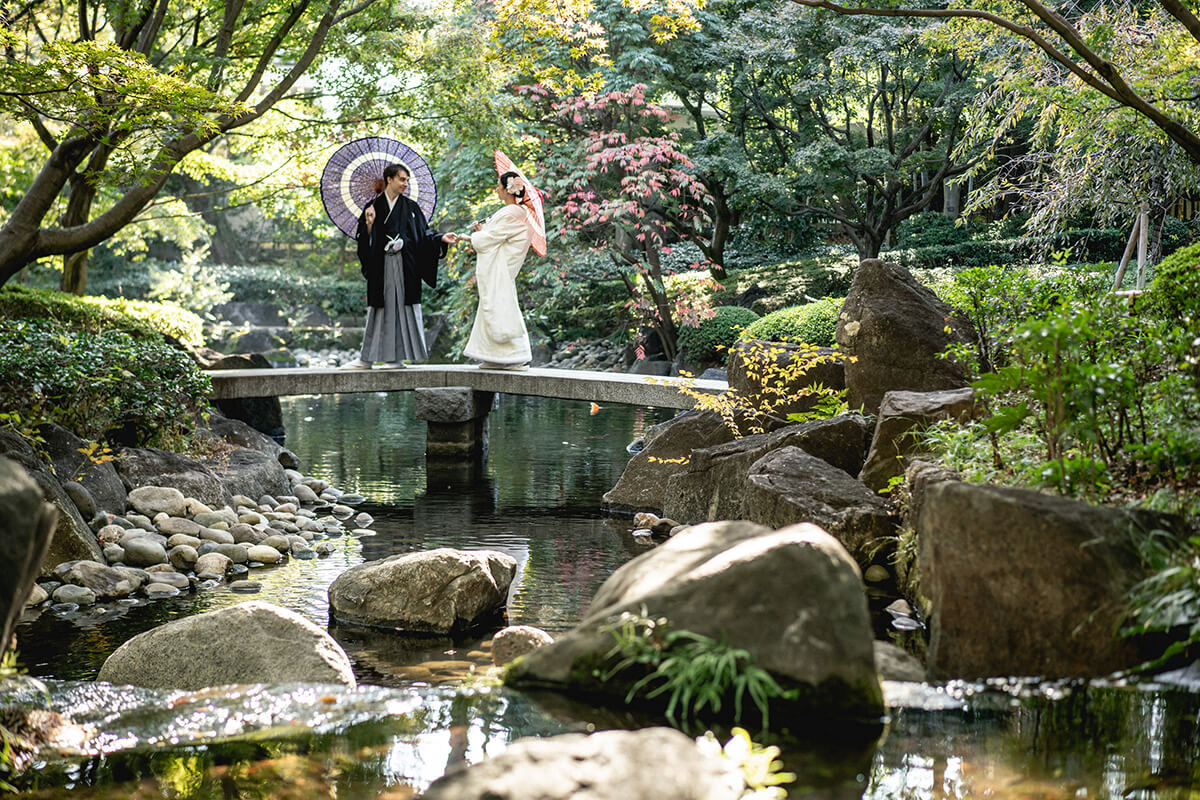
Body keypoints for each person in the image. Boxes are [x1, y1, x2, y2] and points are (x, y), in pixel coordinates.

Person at [342, 163, 459, 369]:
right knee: (380, 309)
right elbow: (363, 240)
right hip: (381, 266)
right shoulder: (373, 206)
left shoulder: (411, 208)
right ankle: (366, 359)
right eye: (402, 179)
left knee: (401, 308)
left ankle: (395, 358)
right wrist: (369, 224)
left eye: (407, 180)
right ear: (389, 179)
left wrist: (440, 238)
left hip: (406, 266)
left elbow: (424, 235)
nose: (406, 183)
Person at [462, 171, 534, 370]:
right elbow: (495, 237)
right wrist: (482, 232)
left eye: (499, 186)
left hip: (499, 268)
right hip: (500, 268)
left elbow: (490, 240)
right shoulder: (513, 213)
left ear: (508, 190)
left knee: (498, 308)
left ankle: (512, 356)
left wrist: (469, 237)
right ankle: (494, 356)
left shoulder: (510, 213)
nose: (496, 190)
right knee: (495, 307)